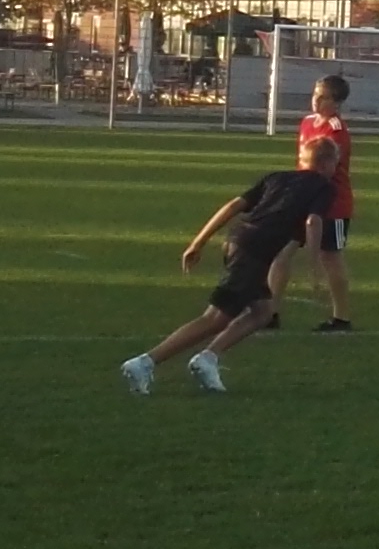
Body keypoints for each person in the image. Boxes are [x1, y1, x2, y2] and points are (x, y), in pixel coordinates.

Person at [123, 135, 340, 395]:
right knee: (215, 318)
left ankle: (208, 358)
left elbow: (234, 206)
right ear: (327, 164)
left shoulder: (276, 177)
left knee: (263, 311)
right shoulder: (324, 186)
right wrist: (314, 265)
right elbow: (313, 222)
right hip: (254, 252)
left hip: (237, 240)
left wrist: (199, 242)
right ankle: (145, 362)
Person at [286, 73, 357, 332]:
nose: (316, 101)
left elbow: (325, 169)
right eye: (315, 95)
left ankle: (341, 316)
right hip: (303, 199)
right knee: (281, 251)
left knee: (331, 257)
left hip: (332, 204)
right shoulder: (307, 123)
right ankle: (269, 311)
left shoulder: (336, 130)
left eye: (323, 97)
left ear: (336, 102)